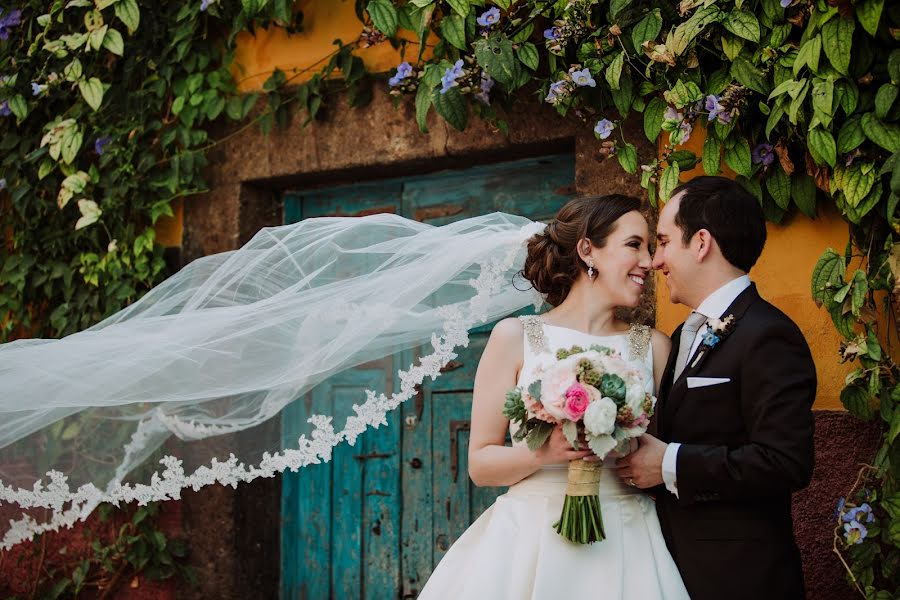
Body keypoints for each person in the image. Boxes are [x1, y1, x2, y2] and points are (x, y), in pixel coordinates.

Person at [418, 195, 690, 599]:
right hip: (530, 537)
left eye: (650, 248)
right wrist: (543, 454)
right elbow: (480, 464)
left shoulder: (654, 346)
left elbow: (659, 453)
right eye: (634, 245)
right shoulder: (517, 337)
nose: (649, 262)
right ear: (587, 250)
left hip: (627, 538)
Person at [616, 176, 816, 600]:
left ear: (702, 242)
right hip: (672, 569)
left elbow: (786, 461)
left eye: (665, 242)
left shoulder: (768, 334)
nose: (655, 261)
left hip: (739, 579)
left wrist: (670, 462)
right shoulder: (685, 333)